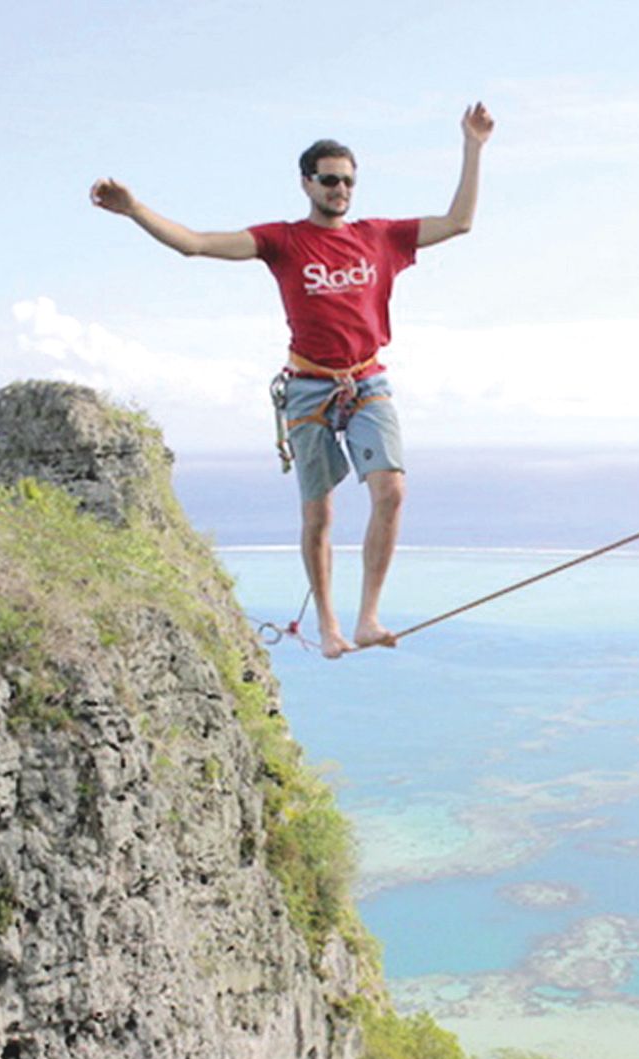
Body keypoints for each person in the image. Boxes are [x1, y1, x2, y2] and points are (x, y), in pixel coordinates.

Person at [90, 103, 495, 657]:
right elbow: (196, 244)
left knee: (392, 491)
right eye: (329, 180)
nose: (340, 190)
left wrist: (473, 147)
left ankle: (367, 617)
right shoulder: (283, 241)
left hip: (367, 380)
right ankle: (329, 626)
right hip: (308, 387)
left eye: (348, 181)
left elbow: (459, 222)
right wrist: (135, 208)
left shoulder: (381, 238)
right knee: (319, 511)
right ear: (307, 183)